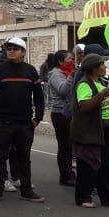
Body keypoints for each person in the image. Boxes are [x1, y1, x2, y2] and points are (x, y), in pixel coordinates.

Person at [0, 36, 44, 203]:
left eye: (15, 49)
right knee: (0, 157)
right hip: (3, 122)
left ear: (23, 52)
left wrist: (37, 118)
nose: (11, 51)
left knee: (24, 158)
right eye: (8, 48)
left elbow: (39, 96)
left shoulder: (31, 71)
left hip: (25, 123)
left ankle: (26, 190)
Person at [70, 53, 109, 208]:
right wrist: (101, 96)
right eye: (101, 65)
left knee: (108, 165)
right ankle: (83, 197)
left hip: (105, 129)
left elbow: (102, 105)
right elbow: (84, 106)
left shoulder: (102, 82)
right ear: (93, 69)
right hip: (90, 131)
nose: (104, 67)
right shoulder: (84, 84)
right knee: (88, 165)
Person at [46, 49, 77, 186]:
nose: (73, 61)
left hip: (71, 112)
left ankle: (69, 172)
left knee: (70, 146)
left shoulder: (67, 73)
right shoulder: (55, 74)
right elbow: (63, 90)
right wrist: (72, 76)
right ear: (60, 61)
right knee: (65, 145)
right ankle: (65, 175)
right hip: (60, 113)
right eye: (70, 58)